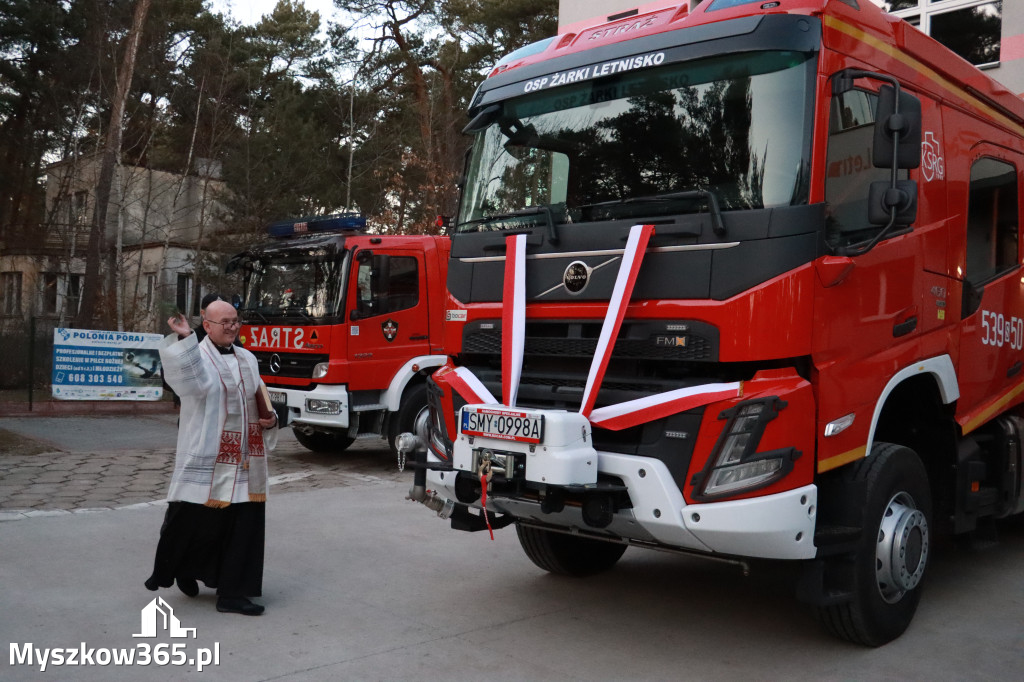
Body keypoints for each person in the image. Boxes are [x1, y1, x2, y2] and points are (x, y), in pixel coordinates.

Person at [145, 300, 277, 616]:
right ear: (207, 325)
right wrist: (183, 338)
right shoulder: (198, 357)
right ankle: (182, 569)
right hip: (207, 452)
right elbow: (189, 382)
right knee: (195, 521)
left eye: (235, 321)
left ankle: (232, 593)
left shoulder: (247, 358)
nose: (232, 326)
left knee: (243, 527)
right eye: (224, 322)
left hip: (246, 458)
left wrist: (271, 418)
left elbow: (260, 395)